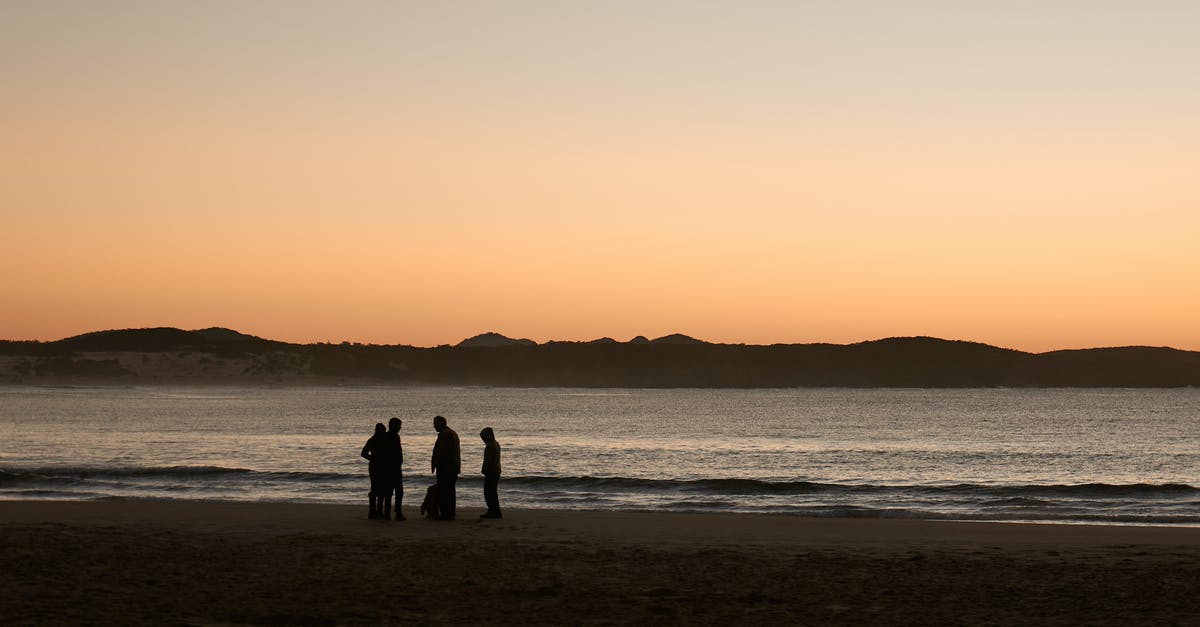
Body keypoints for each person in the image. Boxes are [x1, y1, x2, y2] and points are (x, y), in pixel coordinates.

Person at [430, 415, 461, 520]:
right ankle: (450, 514)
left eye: (435, 424)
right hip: (451, 467)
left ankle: (446, 514)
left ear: (442, 423)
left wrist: (437, 464)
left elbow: (443, 453)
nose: (434, 426)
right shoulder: (450, 433)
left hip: (446, 468)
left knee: (445, 491)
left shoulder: (445, 435)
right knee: (449, 491)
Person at [360, 423, 389, 519]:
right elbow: (363, 453)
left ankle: (373, 512)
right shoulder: (379, 440)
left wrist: (372, 459)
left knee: (376, 489)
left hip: (375, 466)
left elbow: (364, 453)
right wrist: (374, 459)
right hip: (379, 467)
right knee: (380, 490)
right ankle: (377, 512)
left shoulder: (372, 440)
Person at [385, 417, 405, 521]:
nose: (400, 428)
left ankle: (388, 513)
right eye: (399, 426)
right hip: (393, 468)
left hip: (392, 468)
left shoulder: (389, 436)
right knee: (397, 491)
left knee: (391, 492)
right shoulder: (392, 437)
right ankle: (396, 513)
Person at [479, 427, 502, 519]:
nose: (483, 440)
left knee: (489, 492)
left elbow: (488, 461)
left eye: (483, 437)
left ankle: (493, 511)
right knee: (492, 492)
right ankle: (495, 510)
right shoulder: (496, 443)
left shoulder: (490, 446)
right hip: (496, 470)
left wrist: (484, 470)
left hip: (491, 471)